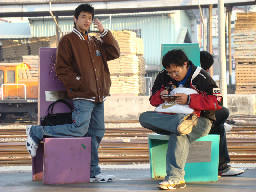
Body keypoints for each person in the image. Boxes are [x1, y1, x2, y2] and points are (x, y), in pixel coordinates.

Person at [26, 4, 120, 183]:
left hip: (99, 96)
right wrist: (79, 84)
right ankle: (37, 132)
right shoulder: (68, 40)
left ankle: (93, 171)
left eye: (90, 18)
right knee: (79, 129)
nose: (87, 21)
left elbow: (115, 53)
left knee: (97, 132)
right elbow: (61, 68)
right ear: (75, 19)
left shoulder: (95, 42)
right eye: (84, 17)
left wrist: (105, 32)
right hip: (83, 95)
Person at [139, 49, 222, 190]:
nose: (173, 75)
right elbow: (153, 101)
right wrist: (161, 96)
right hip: (171, 118)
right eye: (169, 72)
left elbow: (217, 101)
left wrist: (190, 99)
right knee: (144, 117)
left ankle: (175, 179)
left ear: (185, 65)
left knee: (179, 134)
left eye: (176, 71)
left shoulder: (201, 76)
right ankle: (179, 124)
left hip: (199, 121)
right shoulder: (163, 76)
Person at [200, 51, 244, 176]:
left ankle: (222, 166)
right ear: (207, 68)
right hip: (193, 120)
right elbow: (218, 103)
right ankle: (222, 167)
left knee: (219, 124)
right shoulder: (205, 79)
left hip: (190, 117)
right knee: (222, 117)